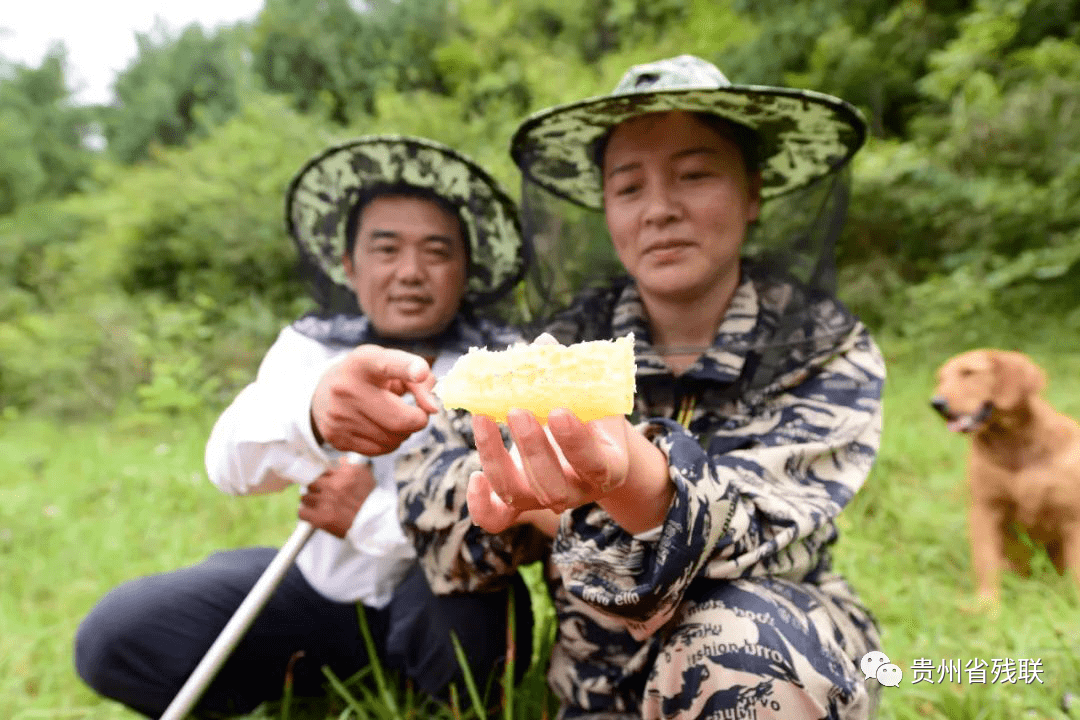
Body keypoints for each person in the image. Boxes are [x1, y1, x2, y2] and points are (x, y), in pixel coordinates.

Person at [396, 56, 886, 720]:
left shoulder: (824, 349)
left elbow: (762, 535)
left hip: (774, 646)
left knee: (747, 640)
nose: (659, 209)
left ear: (753, 193)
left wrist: (613, 486)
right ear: (605, 208)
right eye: (628, 187)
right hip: (597, 683)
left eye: (695, 174)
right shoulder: (563, 342)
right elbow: (425, 483)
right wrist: (537, 500)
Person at [74, 136, 533, 718]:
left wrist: (367, 516)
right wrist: (314, 412)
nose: (411, 272)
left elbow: (515, 523)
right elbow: (229, 467)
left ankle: (430, 699)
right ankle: (299, 685)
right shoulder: (310, 347)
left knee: (471, 616)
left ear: (466, 268)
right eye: (386, 248)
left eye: (437, 251)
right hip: (319, 586)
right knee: (115, 637)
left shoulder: (505, 360)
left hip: (443, 595)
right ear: (349, 265)